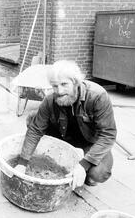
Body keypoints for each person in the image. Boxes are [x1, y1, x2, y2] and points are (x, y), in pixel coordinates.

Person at [17, 60, 117, 189]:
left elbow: (108, 134)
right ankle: (58, 152)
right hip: (63, 136)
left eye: (64, 84)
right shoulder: (50, 99)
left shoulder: (98, 96)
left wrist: (84, 165)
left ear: (76, 82)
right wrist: (22, 163)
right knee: (33, 119)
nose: (59, 91)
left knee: (97, 174)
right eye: (54, 86)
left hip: (89, 141)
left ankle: (85, 167)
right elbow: (35, 130)